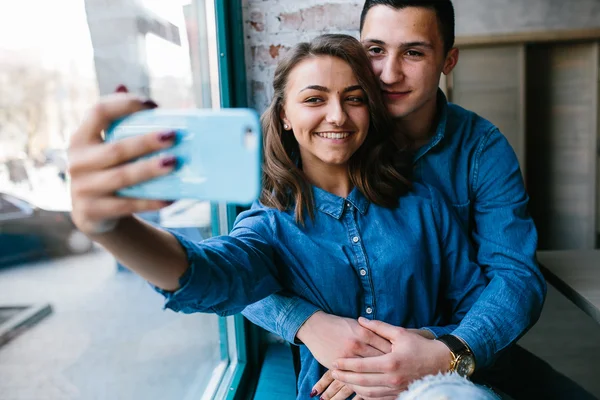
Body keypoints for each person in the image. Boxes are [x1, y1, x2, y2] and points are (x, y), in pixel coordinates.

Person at [68, 34, 492, 399]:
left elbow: (474, 304)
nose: (338, 116)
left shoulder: (425, 204)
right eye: (314, 99)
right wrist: (113, 229)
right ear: (286, 116)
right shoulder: (269, 227)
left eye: (354, 99)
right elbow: (207, 274)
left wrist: (428, 347)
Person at [241, 1, 560, 399]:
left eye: (413, 52)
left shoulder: (481, 149)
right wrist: (308, 322)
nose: (389, 74)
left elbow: (516, 276)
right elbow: (248, 255)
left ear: (448, 59)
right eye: (375, 50)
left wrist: (443, 355)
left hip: (467, 351)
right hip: (345, 370)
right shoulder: (325, 140)